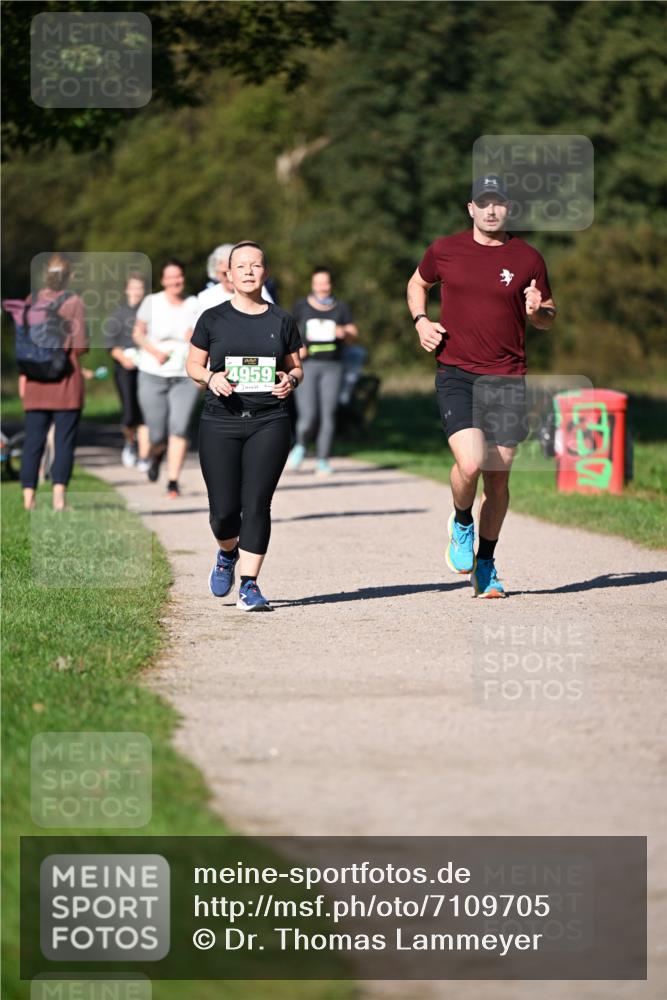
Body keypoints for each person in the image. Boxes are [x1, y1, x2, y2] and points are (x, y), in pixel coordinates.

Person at [406, 174, 556, 597]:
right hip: (457, 373)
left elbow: (546, 315)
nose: (491, 210)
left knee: (498, 479)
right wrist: (421, 321)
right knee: (470, 464)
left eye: (499, 203)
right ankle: (461, 521)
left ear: (509, 209)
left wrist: (537, 310)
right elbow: (418, 283)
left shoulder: (527, 257)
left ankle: (486, 563)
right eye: (483, 203)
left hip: (507, 377)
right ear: (470, 208)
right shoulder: (445, 250)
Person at [186, 241, 303, 612]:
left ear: (265, 273)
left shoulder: (281, 320)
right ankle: (226, 555)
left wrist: (291, 380)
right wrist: (209, 378)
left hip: (270, 421)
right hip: (220, 422)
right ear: (229, 274)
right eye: (241, 266)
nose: (249, 271)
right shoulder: (212, 318)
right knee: (223, 512)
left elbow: (296, 366)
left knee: (257, 504)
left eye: (256, 265)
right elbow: (191, 365)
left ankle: (250, 585)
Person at [19, 253, 88, 511]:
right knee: (64, 441)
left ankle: (29, 498)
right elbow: (81, 346)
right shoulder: (75, 302)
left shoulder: (31, 300)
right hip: (66, 383)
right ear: (69, 276)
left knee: (33, 441)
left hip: (35, 382)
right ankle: (59, 499)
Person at [132, 259, 200, 498]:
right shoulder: (152, 302)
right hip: (153, 373)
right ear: (163, 280)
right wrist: (154, 352)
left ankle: (173, 481)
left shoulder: (194, 304)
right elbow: (137, 334)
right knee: (157, 433)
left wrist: (196, 336)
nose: (175, 281)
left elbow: (205, 337)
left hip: (184, 376)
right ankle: (156, 455)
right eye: (170, 277)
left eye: (179, 276)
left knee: (180, 428)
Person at [287, 266, 358, 474]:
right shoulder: (301, 306)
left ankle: (322, 460)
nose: (322, 287)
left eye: (325, 283)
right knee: (308, 415)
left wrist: (344, 332)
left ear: (330, 284)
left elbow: (353, 337)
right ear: (312, 284)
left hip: (333, 366)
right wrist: (299, 349)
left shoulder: (341, 308)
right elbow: (289, 333)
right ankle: (300, 444)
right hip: (307, 366)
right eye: (318, 283)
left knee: (328, 414)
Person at [103, 271, 150, 470]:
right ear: (127, 289)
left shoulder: (150, 312)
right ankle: (130, 443)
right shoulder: (117, 315)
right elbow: (110, 346)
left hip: (147, 366)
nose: (137, 291)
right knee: (130, 413)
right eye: (133, 287)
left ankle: (144, 455)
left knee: (146, 412)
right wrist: (123, 359)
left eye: (140, 287)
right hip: (125, 368)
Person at [195, 243, 273, 322]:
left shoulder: (258, 290)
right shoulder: (205, 297)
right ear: (216, 274)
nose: (230, 277)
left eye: (239, 269)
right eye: (224, 273)